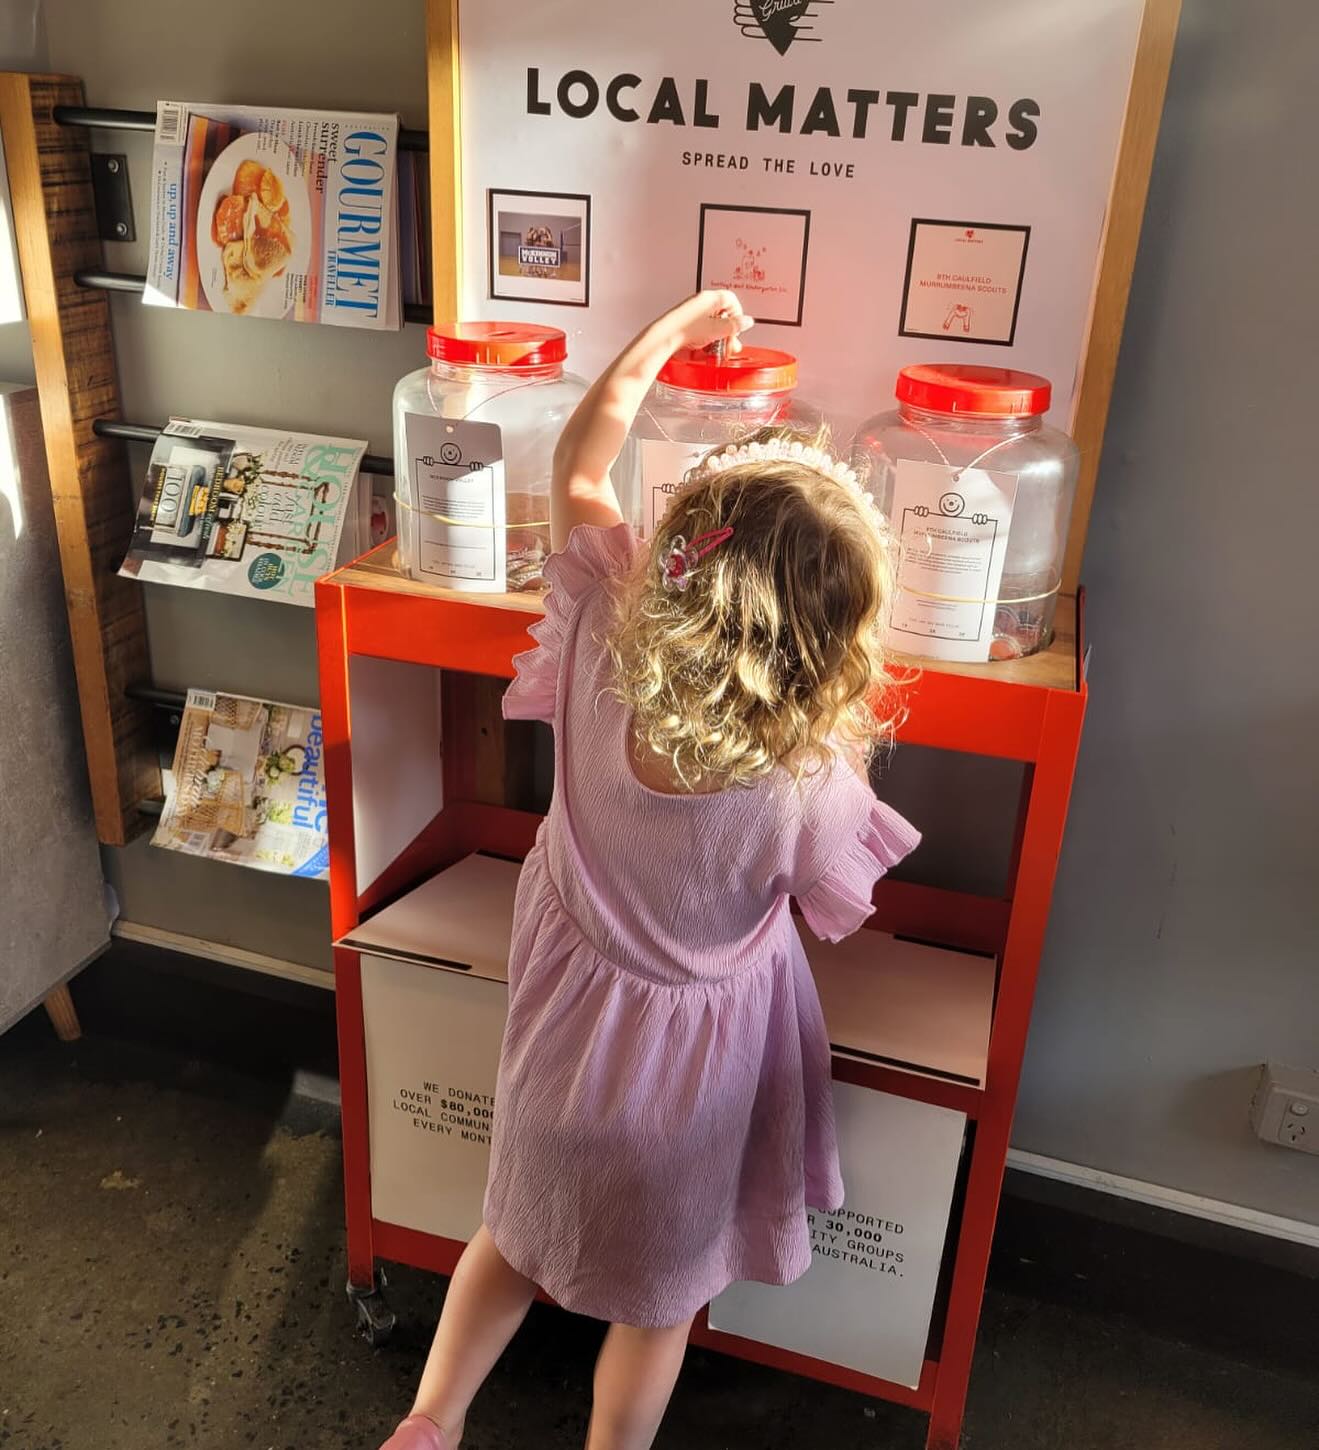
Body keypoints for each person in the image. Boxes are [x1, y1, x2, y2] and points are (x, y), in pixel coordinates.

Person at [380, 292, 921, 1450]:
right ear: (830, 643)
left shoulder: (590, 637)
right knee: (659, 1301)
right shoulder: (806, 780)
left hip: (557, 1042)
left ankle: (429, 1420)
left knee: (510, 1239)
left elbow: (585, 456)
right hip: (691, 1083)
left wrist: (672, 328)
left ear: (678, 556)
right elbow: (832, 909)